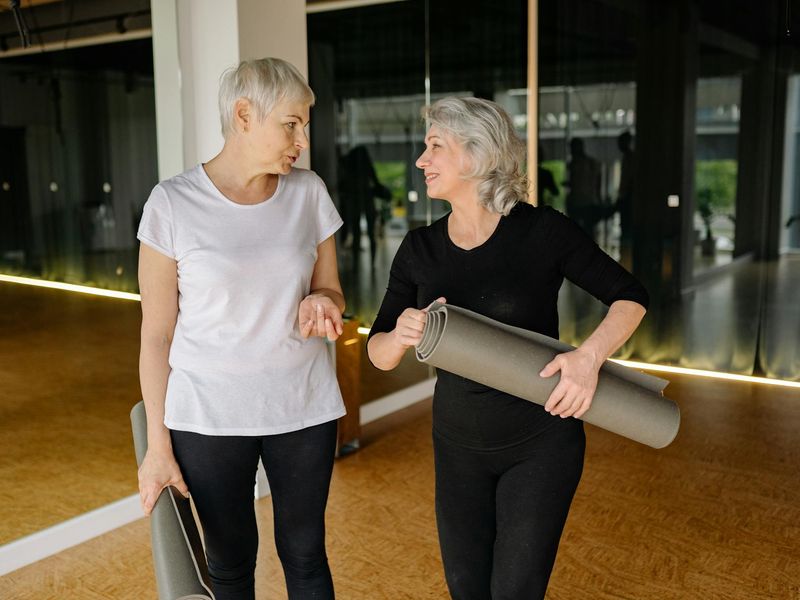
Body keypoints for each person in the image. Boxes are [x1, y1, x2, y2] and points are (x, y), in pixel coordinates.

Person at [366, 97, 648, 600]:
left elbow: (630, 297)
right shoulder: (419, 249)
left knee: (515, 591)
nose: (420, 160)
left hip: (541, 443)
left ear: (476, 154)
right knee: (466, 588)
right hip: (456, 447)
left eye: (435, 147)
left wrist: (588, 359)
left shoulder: (542, 230)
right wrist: (401, 332)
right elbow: (379, 354)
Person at [136, 58, 346, 600]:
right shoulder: (172, 204)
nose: (302, 138)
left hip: (303, 405)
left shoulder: (308, 193)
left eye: (306, 123)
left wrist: (322, 302)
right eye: (291, 123)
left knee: (305, 554)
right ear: (244, 115)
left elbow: (333, 291)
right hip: (207, 415)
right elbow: (156, 336)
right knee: (229, 562)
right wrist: (158, 447)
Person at [565, 137, 602, 237]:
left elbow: (596, 182)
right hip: (583, 202)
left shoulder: (583, 164)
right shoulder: (586, 163)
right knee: (585, 233)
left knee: (582, 233)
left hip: (584, 203)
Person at [616, 131, 635, 268]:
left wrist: (622, 196)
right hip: (627, 197)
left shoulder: (629, 158)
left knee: (626, 229)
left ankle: (627, 260)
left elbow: (627, 180)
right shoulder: (628, 157)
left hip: (628, 198)